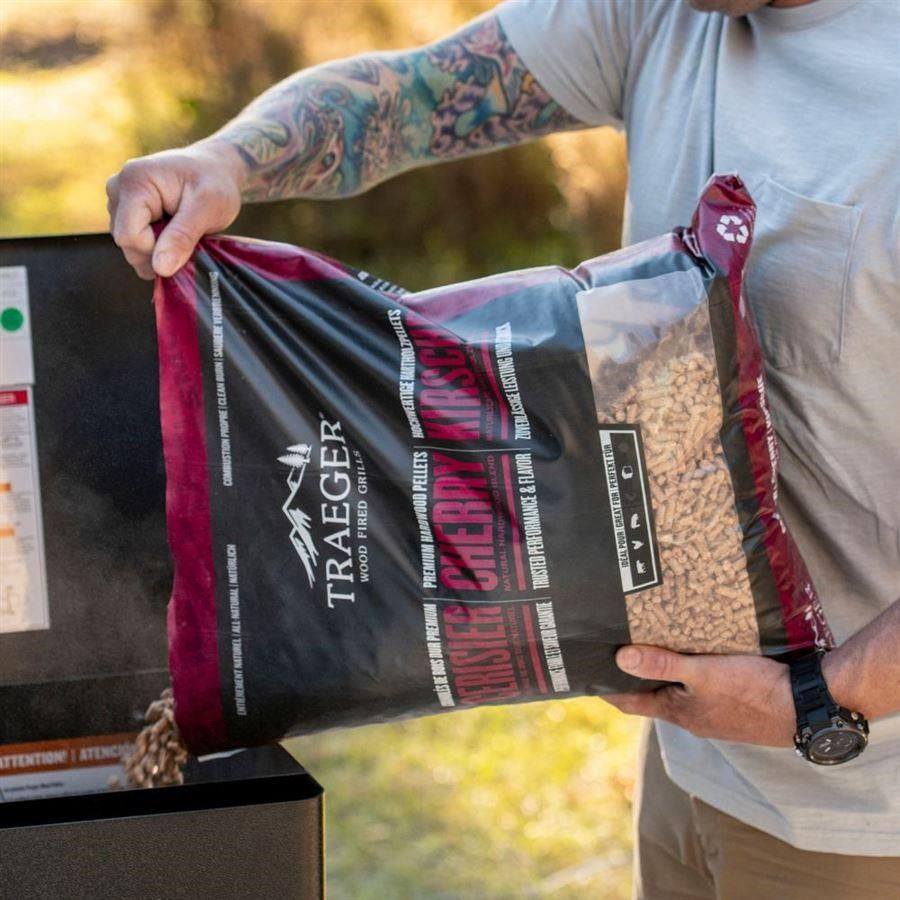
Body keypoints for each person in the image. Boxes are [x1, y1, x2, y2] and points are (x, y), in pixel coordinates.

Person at [107, 0, 900, 896]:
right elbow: (414, 93)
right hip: (700, 760)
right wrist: (225, 161)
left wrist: (822, 699)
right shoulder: (670, 15)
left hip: (862, 805)